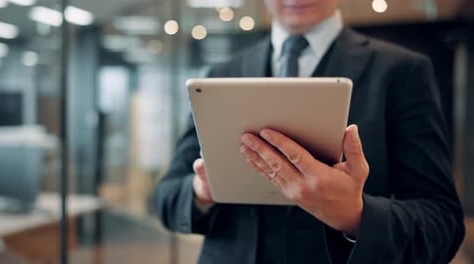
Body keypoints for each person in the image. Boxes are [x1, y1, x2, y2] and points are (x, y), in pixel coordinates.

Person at [154, 0, 465, 263]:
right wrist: (201, 191)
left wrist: (355, 215)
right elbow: (166, 198)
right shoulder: (220, 76)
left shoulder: (401, 72)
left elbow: (443, 224)